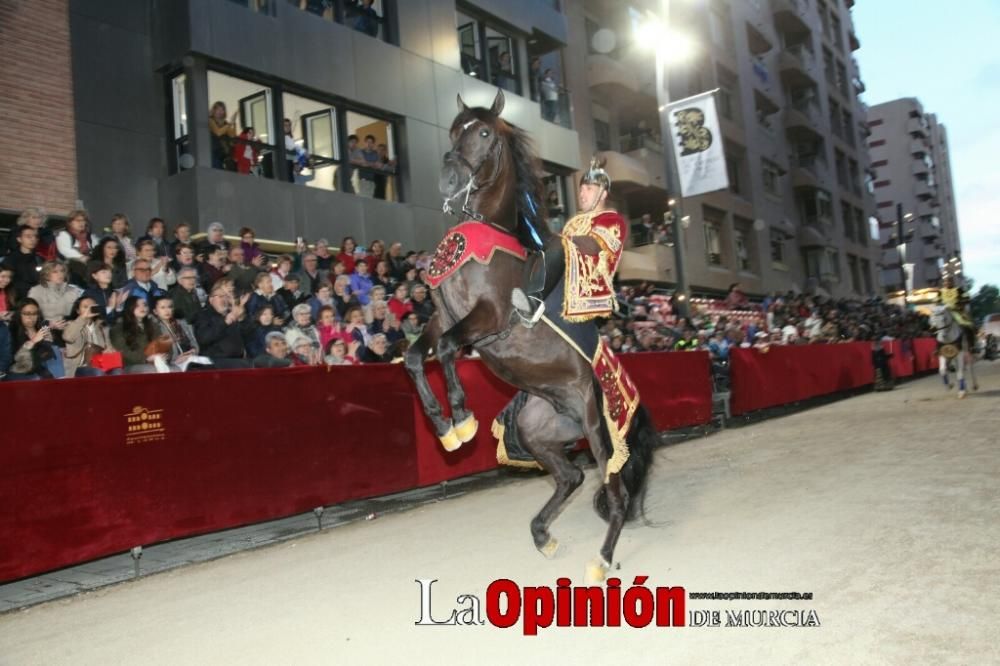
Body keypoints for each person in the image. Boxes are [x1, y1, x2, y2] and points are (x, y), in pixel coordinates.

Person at [512, 156, 627, 328]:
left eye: (588, 188)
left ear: (603, 194)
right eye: (581, 189)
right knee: (535, 252)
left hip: (589, 285)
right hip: (566, 274)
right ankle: (521, 300)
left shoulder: (613, 220)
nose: (582, 194)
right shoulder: (575, 222)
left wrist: (559, 240)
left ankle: (534, 302)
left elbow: (594, 245)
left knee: (557, 244)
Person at [8, 298, 65, 379]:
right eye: (27, 314)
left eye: (35, 313)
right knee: (38, 377)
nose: (31, 317)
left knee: (54, 349)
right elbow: (16, 361)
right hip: (24, 371)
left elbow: (56, 354)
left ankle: (60, 381)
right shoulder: (12, 331)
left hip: (44, 367)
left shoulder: (42, 328)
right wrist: (33, 341)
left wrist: (50, 342)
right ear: (19, 314)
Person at [194, 289, 249, 368]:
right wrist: (225, 322)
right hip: (215, 361)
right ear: (211, 299)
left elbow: (246, 333)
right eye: (220, 296)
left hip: (236, 359)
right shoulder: (203, 316)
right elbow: (204, 338)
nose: (224, 299)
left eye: (226, 297)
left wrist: (241, 317)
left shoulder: (230, 314)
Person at [62, 296, 114, 377]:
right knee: (97, 373)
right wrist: (83, 317)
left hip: (100, 364)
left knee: (117, 372)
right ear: (78, 311)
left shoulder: (102, 328)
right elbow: (68, 337)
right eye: (85, 307)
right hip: (79, 367)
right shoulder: (71, 325)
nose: (89, 309)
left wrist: (109, 351)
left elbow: (109, 348)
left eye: (92, 306)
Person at [147, 295, 200, 370]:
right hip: (171, 362)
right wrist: (175, 359)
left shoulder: (181, 323)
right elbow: (158, 350)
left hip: (189, 357)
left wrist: (193, 351)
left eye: (170, 307)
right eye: (163, 308)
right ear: (155, 311)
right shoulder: (154, 327)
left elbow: (193, 341)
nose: (167, 310)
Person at [27, 262, 80, 337]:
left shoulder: (74, 291)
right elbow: (30, 316)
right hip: (46, 333)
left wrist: (74, 322)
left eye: (62, 271)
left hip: (72, 332)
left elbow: (80, 313)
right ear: (46, 275)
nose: (60, 274)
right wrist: (49, 324)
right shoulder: (36, 291)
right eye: (55, 272)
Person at [110, 296, 156, 373]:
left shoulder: (153, 325)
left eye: (145, 305)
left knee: (175, 370)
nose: (143, 308)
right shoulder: (119, 328)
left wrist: (163, 356)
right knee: (151, 370)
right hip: (130, 365)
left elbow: (162, 341)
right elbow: (123, 350)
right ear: (129, 308)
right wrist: (146, 358)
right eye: (137, 306)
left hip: (154, 361)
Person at [55, 209, 99, 286]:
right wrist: (82, 257)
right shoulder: (63, 234)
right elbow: (65, 251)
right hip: (70, 269)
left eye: (83, 220)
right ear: (70, 222)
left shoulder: (90, 236)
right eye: (78, 220)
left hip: (88, 267)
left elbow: (96, 249)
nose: (81, 223)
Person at [1, 225, 44, 300]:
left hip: (37, 298)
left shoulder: (40, 259)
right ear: (19, 239)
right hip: (17, 299)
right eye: (28, 236)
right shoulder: (10, 259)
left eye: (35, 237)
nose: (33, 239)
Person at [209, 101, 238, 170]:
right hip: (213, 154)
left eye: (222, 109)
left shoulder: (225, 124)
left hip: (223, 155)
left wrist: (233, 124)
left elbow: (233, 138)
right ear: (214, 110)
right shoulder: (210, 120)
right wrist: (230, 124)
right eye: (218, 109)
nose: (220, 112)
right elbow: (218, 133)